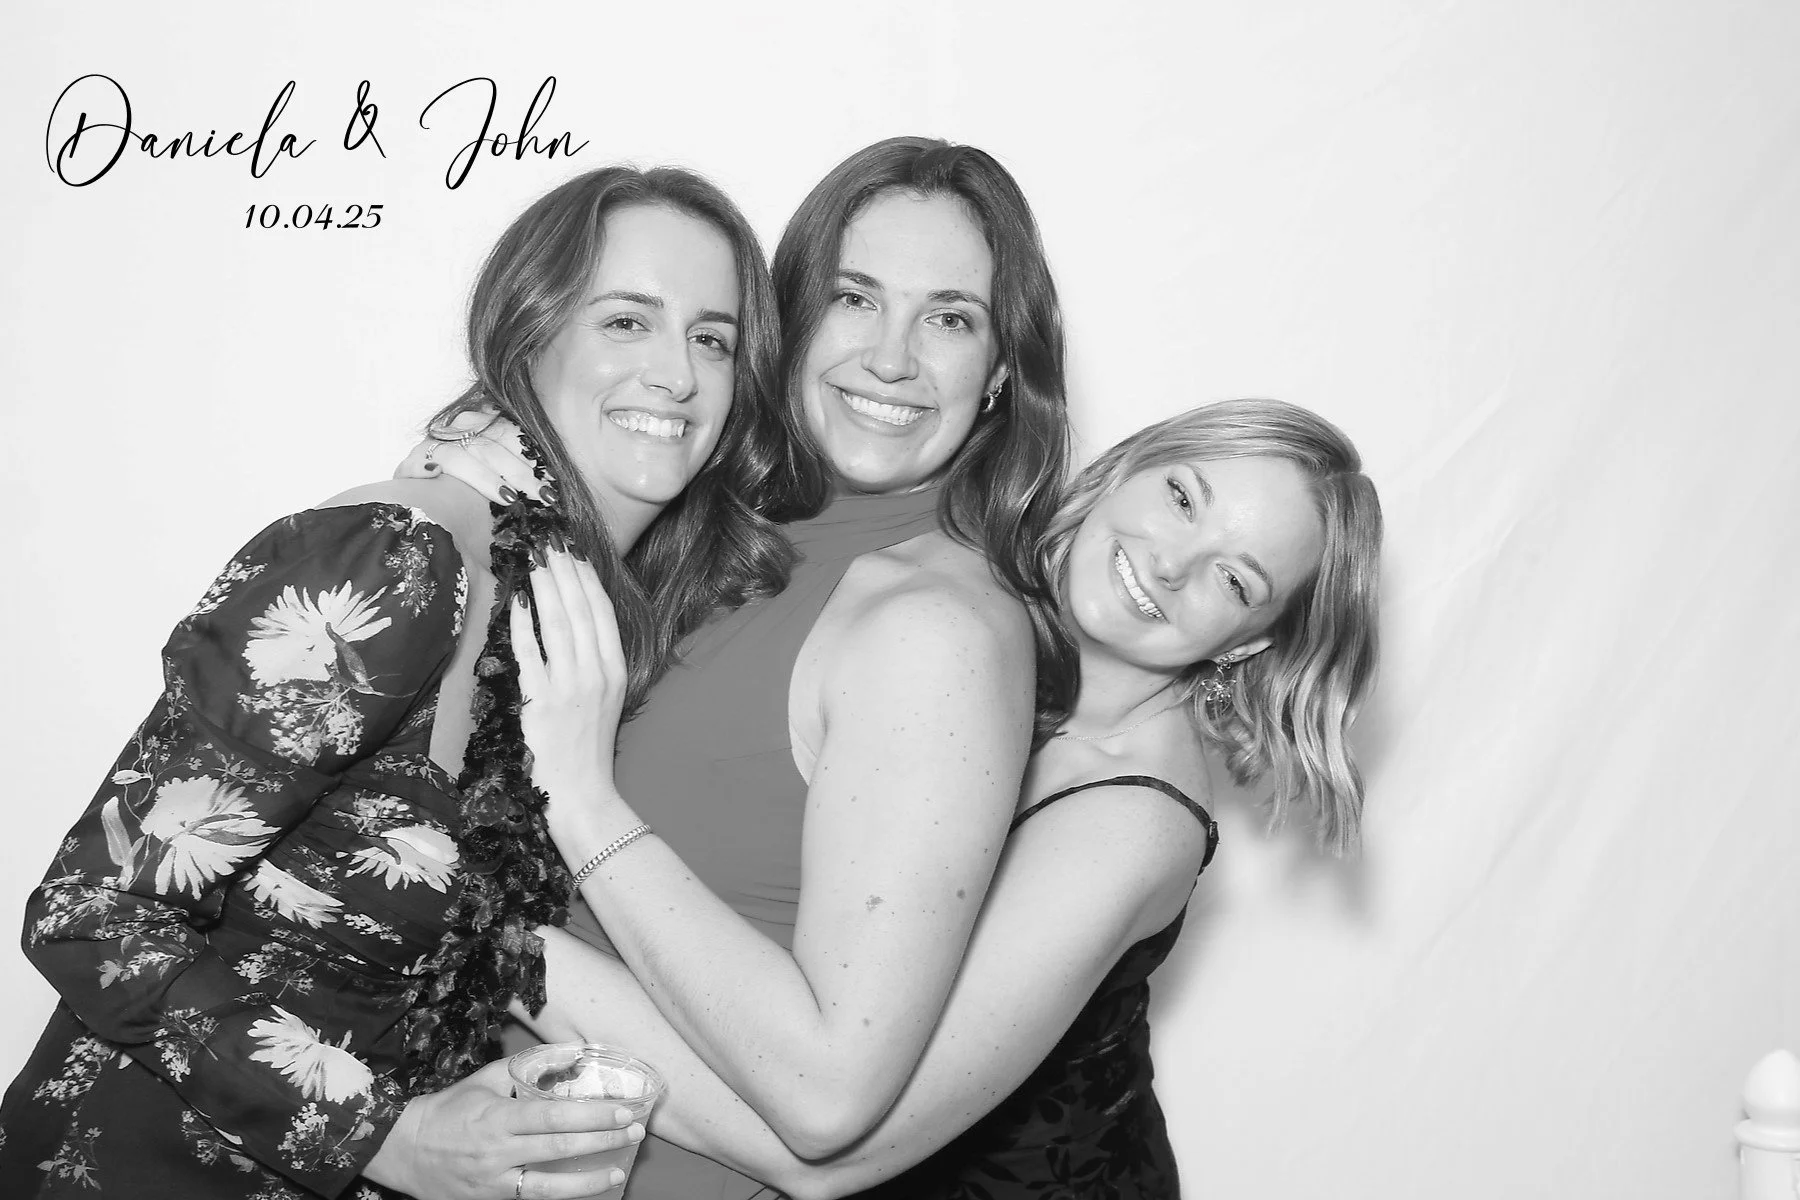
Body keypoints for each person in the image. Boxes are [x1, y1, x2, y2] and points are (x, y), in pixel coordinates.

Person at [0, 164, 789, 1200]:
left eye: (713, 338)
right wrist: (388, 1137)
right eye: (627, 321)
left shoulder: (585, 620)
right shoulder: (398, 565)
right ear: (531, 332)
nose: (679, 374)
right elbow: (93, 913)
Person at [396, 135, 1075, 1199]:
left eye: (950, 317)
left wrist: (500, 861)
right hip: (472, 1142)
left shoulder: (931, 630)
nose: (891, 358)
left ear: (999, 374)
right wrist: (474, 484)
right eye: (855, 298)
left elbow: (825, 1093)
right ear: (790, 320)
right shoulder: (718, 529)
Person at [499, 398, 1381, 1199]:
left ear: (1249, 643)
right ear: (1123, 470)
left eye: (1237, 581)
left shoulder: (1132, 821)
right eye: (1183, 499)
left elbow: (817, 1152)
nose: (1175, 562)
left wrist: (484, 940)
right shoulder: (978, 618)